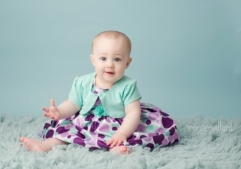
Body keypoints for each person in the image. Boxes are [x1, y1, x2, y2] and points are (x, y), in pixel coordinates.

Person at [20, 30, 179, 155]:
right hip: (85, 123)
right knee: (64, 134)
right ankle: (43, 146)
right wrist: (59, 112)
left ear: (127, 62)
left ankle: (117, 149)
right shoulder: (82, 82)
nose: (109, 65)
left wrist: (122, 133)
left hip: (117, 123)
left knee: (121, 138)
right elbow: (73, 104)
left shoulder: (128, 85)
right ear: (93, 60)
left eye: (117, 59)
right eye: (103, 59)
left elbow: (133, 113)